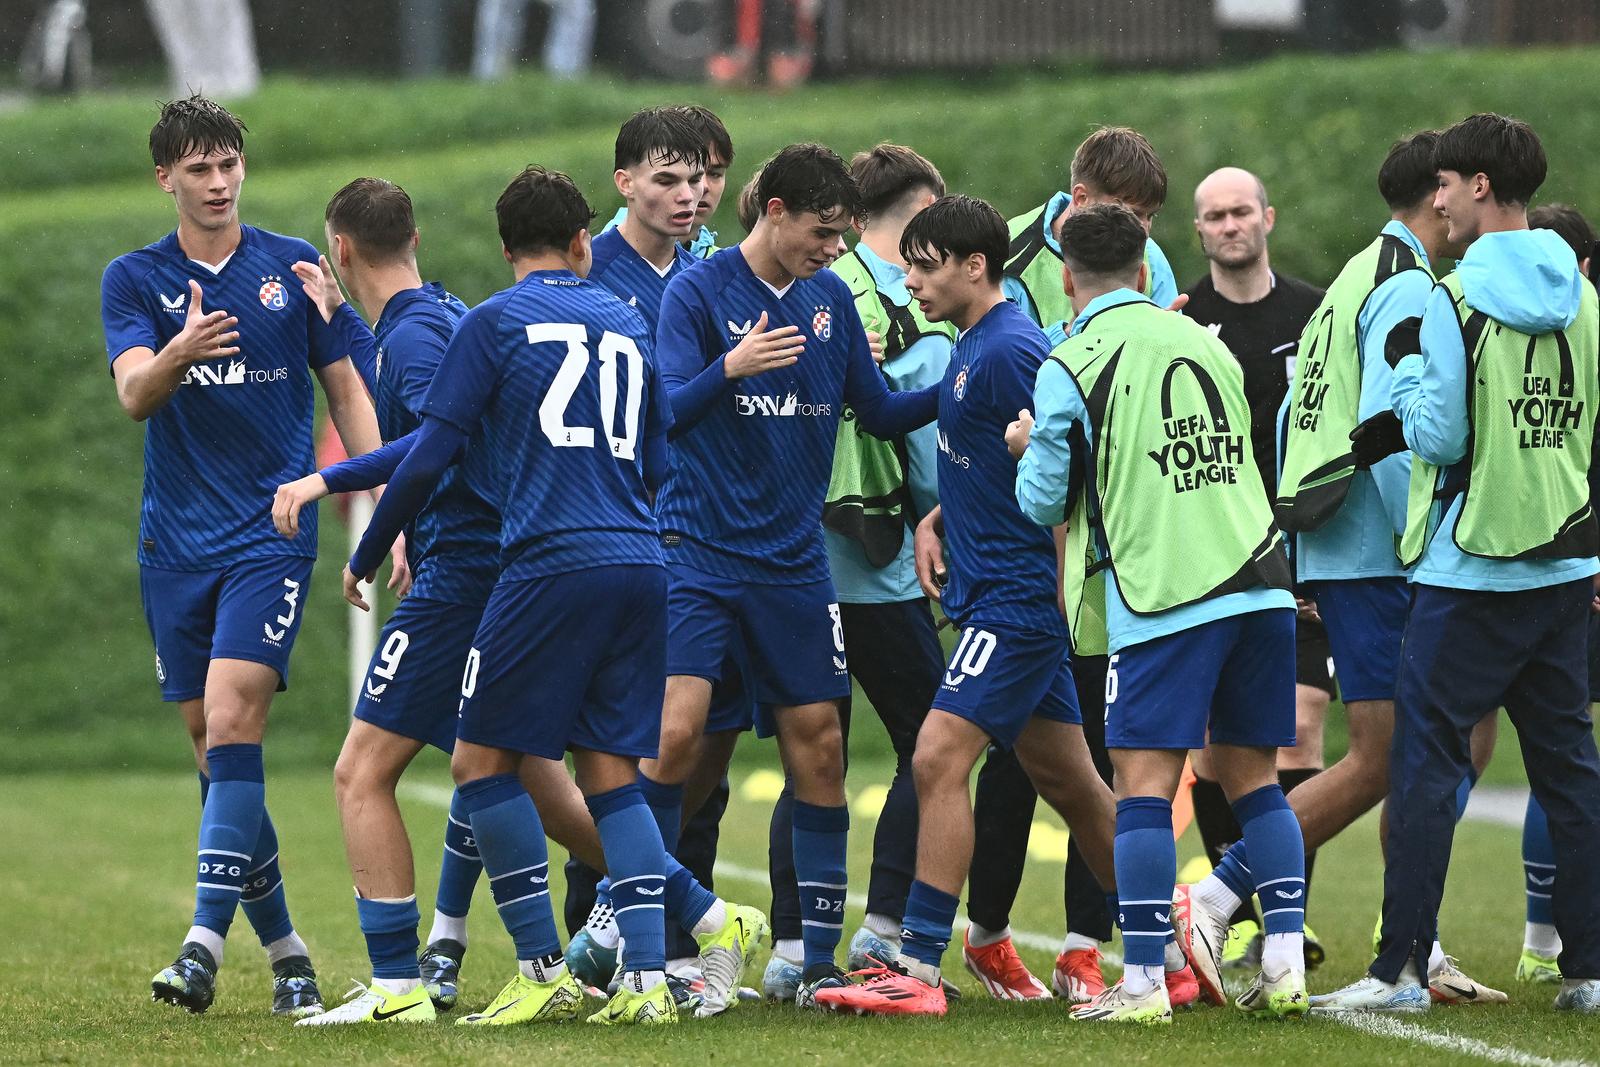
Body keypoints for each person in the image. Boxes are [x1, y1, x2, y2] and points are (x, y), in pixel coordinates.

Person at [340, 165, 770, 1026]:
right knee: (610, 772)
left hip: (547, 564)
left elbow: (430, 454)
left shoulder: (492, 324)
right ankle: (649, 982)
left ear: (505, 250)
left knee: (478, 762)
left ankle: (540, 965)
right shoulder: (627, 319)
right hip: (643, 561)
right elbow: (658, 460)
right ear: (584, 243)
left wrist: (372, 545)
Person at [1180, 131, 1503, 1008]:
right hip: (1375, 546)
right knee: (1384, 755)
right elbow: (1408, 419)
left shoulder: (1357, 276)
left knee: (1446, 739)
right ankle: (1217, 895)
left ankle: (1413, 943)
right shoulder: (1397, 282)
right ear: (1441, 195)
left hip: (1351, 542)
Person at [102, 93, 392, 1017]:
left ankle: (199, 944)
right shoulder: (132, 279)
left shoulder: (291, 269)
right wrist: (179, 351)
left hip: (269, 535)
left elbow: (348, 391)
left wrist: (383, 508)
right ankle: (290, 953)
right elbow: (134, 396)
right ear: (166, 178)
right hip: (174, 543)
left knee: (233, 719)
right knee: (212, 745)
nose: (220, 182)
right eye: (200, 168)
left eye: (230, 163)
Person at [1314, 114, 1600, 1014]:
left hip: (1466, 569)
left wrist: (1400, 396)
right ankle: (1589, 970)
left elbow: (1438, 433)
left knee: (1427, 765)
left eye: (1445, 181)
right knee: (1570, 769)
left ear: (1479, 185)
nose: (1434, 198)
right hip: (1561, 566)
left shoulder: (1452, 297)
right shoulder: (1588, 301)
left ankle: (1399, 968)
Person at [644, 142, 939, 1006]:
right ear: (774, 211)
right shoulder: (697, 292)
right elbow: (662, 409)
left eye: (844, 236)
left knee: (821, 744)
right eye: (823, 231)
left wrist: (959, 383)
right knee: (675, 737)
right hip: (698, 553)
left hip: (793, 564)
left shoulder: (829, 303)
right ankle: (645, 937)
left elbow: (877, 409)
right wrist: (728, 369)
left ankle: (812, 956)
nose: (834, 249)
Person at [811, 195, 1118, 1018]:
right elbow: (895, 419)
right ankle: (1172, 941)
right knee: (1078, 785)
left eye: (922, 264)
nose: (908, 279)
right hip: (1001, 601)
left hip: (1015, 606)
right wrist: (946, 509)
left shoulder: (1015, 348)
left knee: (938, 757)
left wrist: (1058, 592)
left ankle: (915, 960)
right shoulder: (967, 345)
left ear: (974, 266)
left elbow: (1068, 469)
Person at [1015, 204, 1307, 1024]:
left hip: (1167, 593)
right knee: (1256, 784)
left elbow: (1041, 501)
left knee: (1140, 787)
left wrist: (1027, 446)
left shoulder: (1069, 360)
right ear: (1147, 272)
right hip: (1260, 578)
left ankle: (1141, 979)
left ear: (1067, 280)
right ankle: (1284, 961)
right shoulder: (1206, 340)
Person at [260, 178, 490, 1025]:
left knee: (361, 770)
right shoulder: (426, 317)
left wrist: (350, 518)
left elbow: (429, 450)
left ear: (342, 249)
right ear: (415, 235)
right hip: (483, 567)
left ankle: (398, 984)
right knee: (520, 771)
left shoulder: (421, 335)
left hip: (460, 575)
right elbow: (406, 362)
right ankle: (693, 913)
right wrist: (338, 315)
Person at [962, 124, 1180, 1004]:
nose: (1143, 237)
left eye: (1151, 221)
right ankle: (988, 932)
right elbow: (968, 380)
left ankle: (1087, 943)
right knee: (1019, 752)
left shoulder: (1149, 271)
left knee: (1103, 744)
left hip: (1105, 541)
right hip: (1015, 527)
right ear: (1078, 202)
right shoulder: (1004, 252)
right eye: (1129, 216)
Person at [761, 145, 955, 1000]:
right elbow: (911, 439)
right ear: (916, 216)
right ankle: (881, 925)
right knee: (937, 740)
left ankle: (785, 941)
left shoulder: (813, 287)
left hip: (795, 553)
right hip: (874, 563)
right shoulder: (904, 299)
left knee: (812, 748)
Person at [1181, 166, 1329, 969]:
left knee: (1301, 726)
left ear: (1267, 217)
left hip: (1303, 558)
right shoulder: (1183, 322)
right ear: (1198, 231)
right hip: (1215, 563)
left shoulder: (1312, 314)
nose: (1230, 225)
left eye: (1242, 211)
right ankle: (1238, 912)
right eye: (1214, 216)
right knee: (1215, 747)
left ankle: (1282, 909)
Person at [1519, 201, 1598, 984]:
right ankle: (1549, 940)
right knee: (1564, 752)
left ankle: (1549, 941)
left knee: (1562, 752)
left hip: (1550, 560)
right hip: (1566, 566)